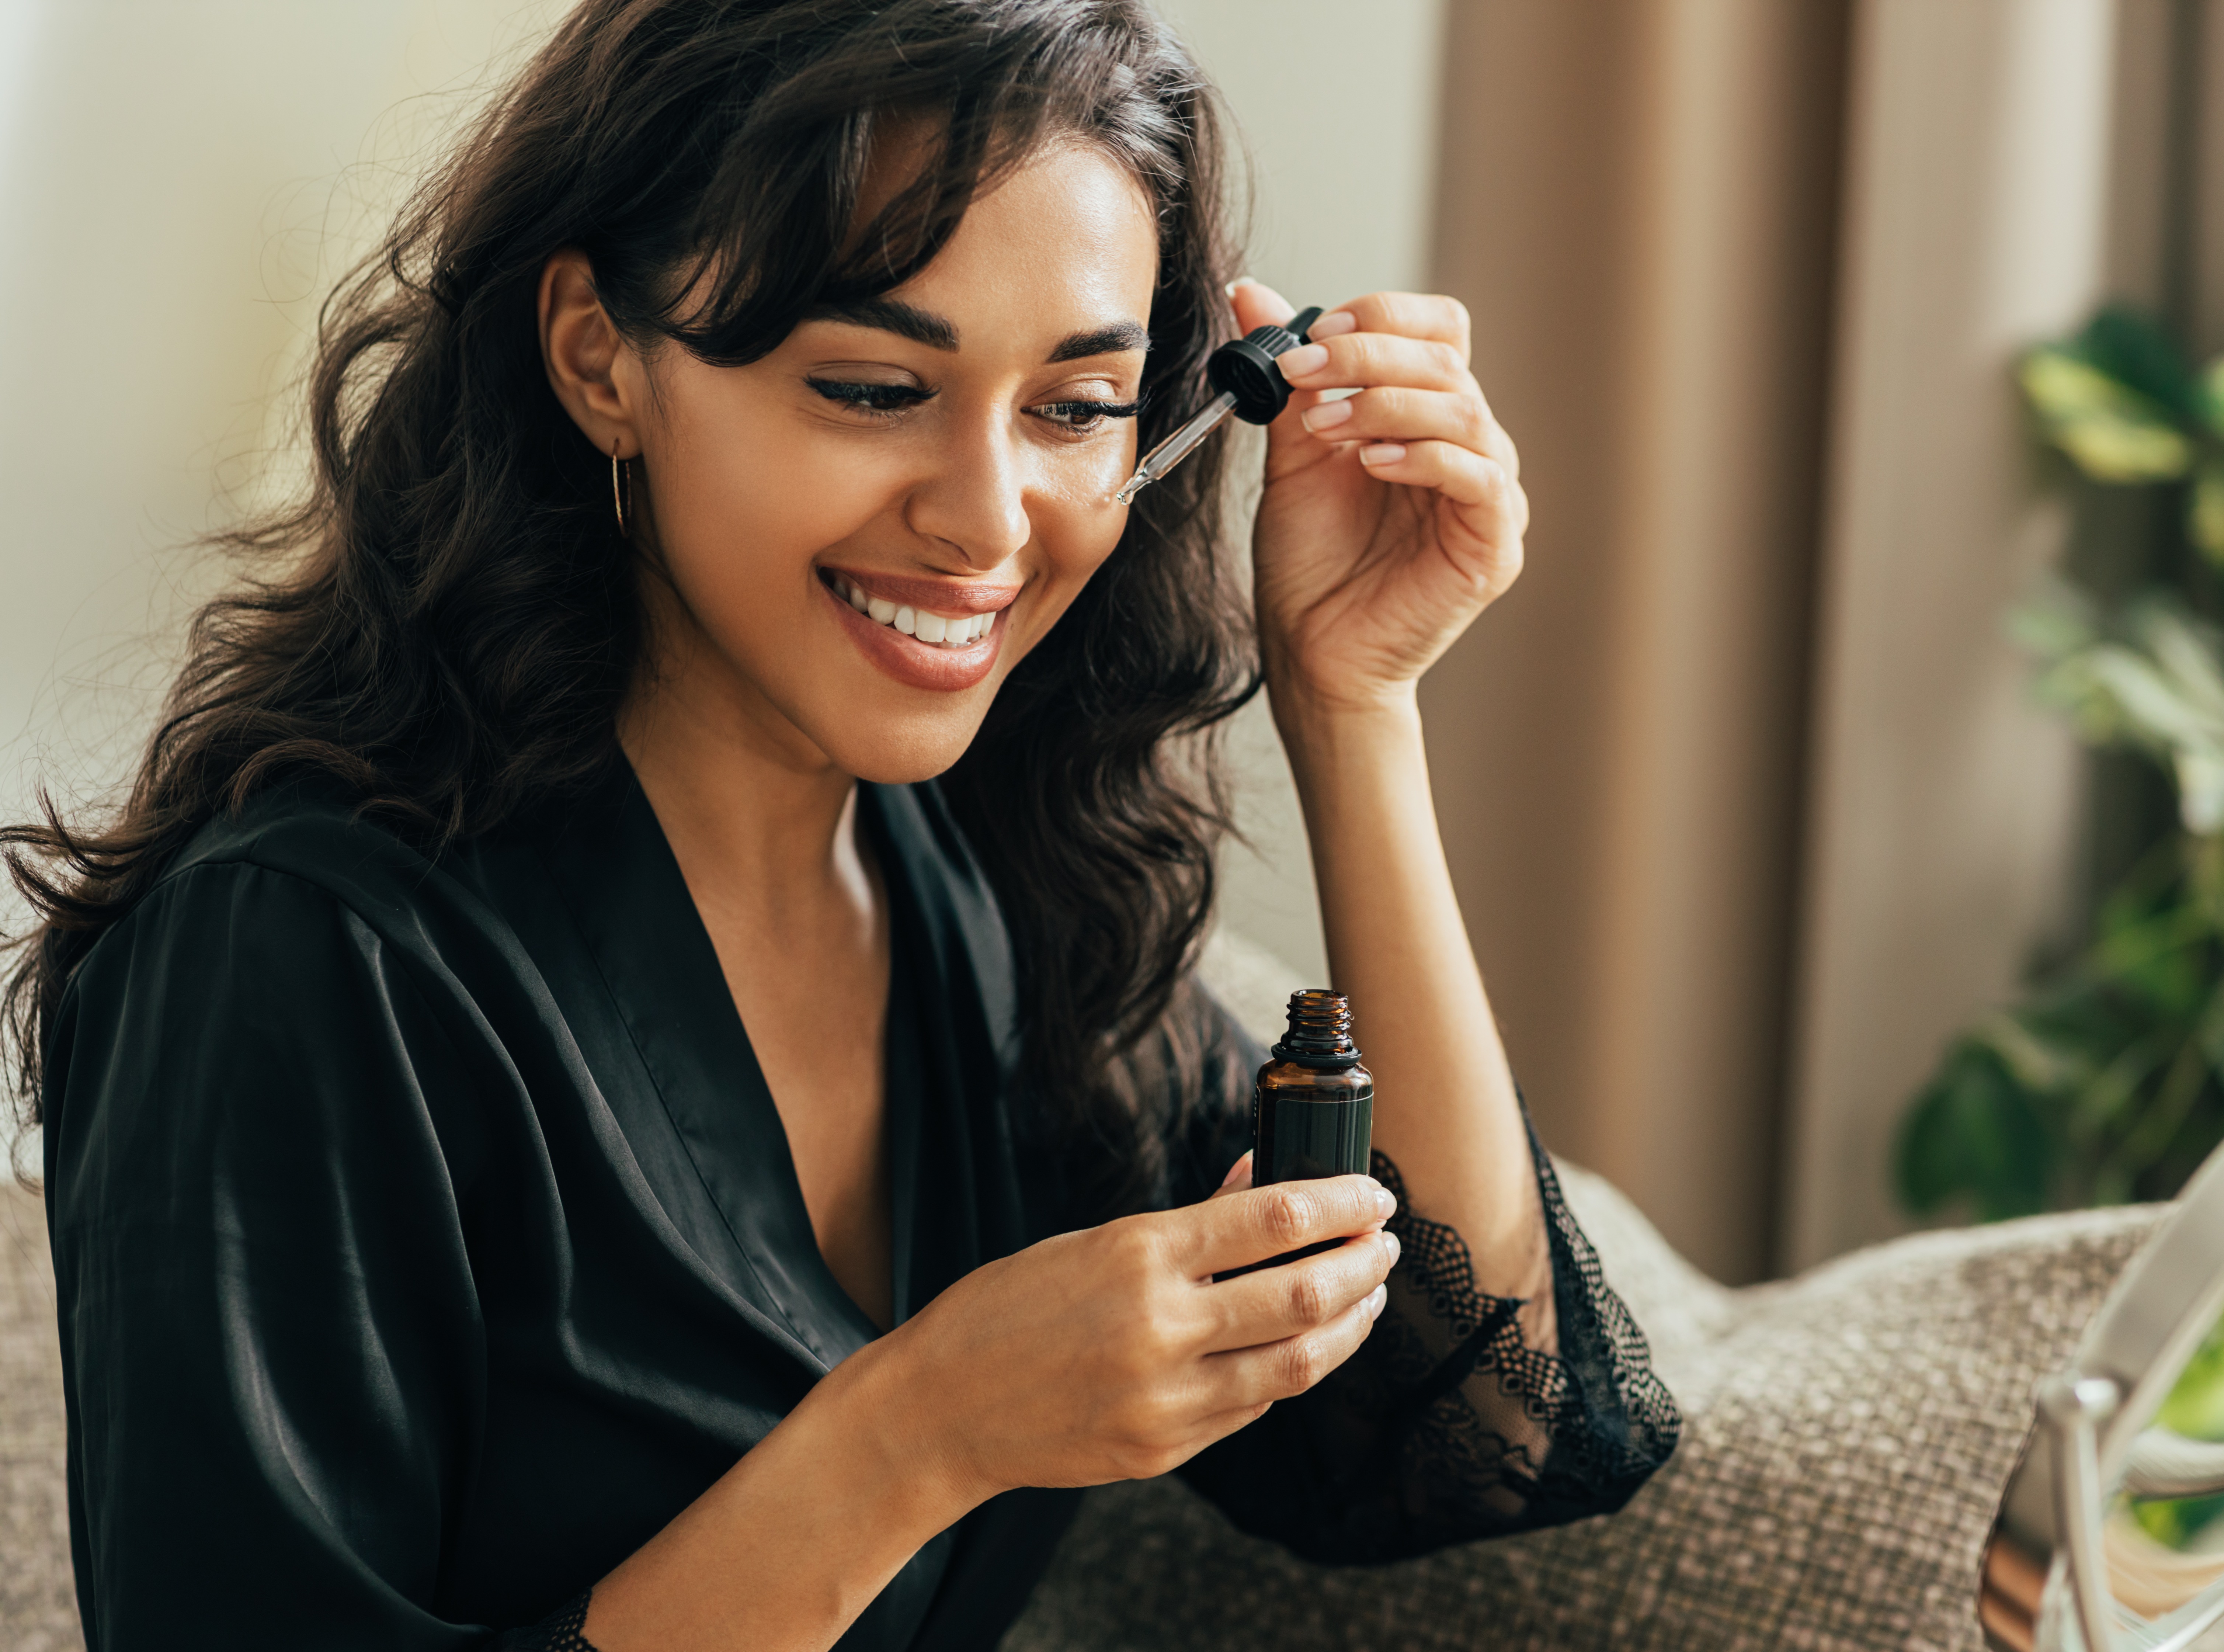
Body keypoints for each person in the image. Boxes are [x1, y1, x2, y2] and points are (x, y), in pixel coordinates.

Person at [7, 3, 1678, 1647]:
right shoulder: (294, 958)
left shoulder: (997, 893)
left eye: (1075, 408)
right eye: (876, 388)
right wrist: (916, 1434)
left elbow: (1483, 1436)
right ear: (598, 356)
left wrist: (1355, 704)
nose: (986, 520)